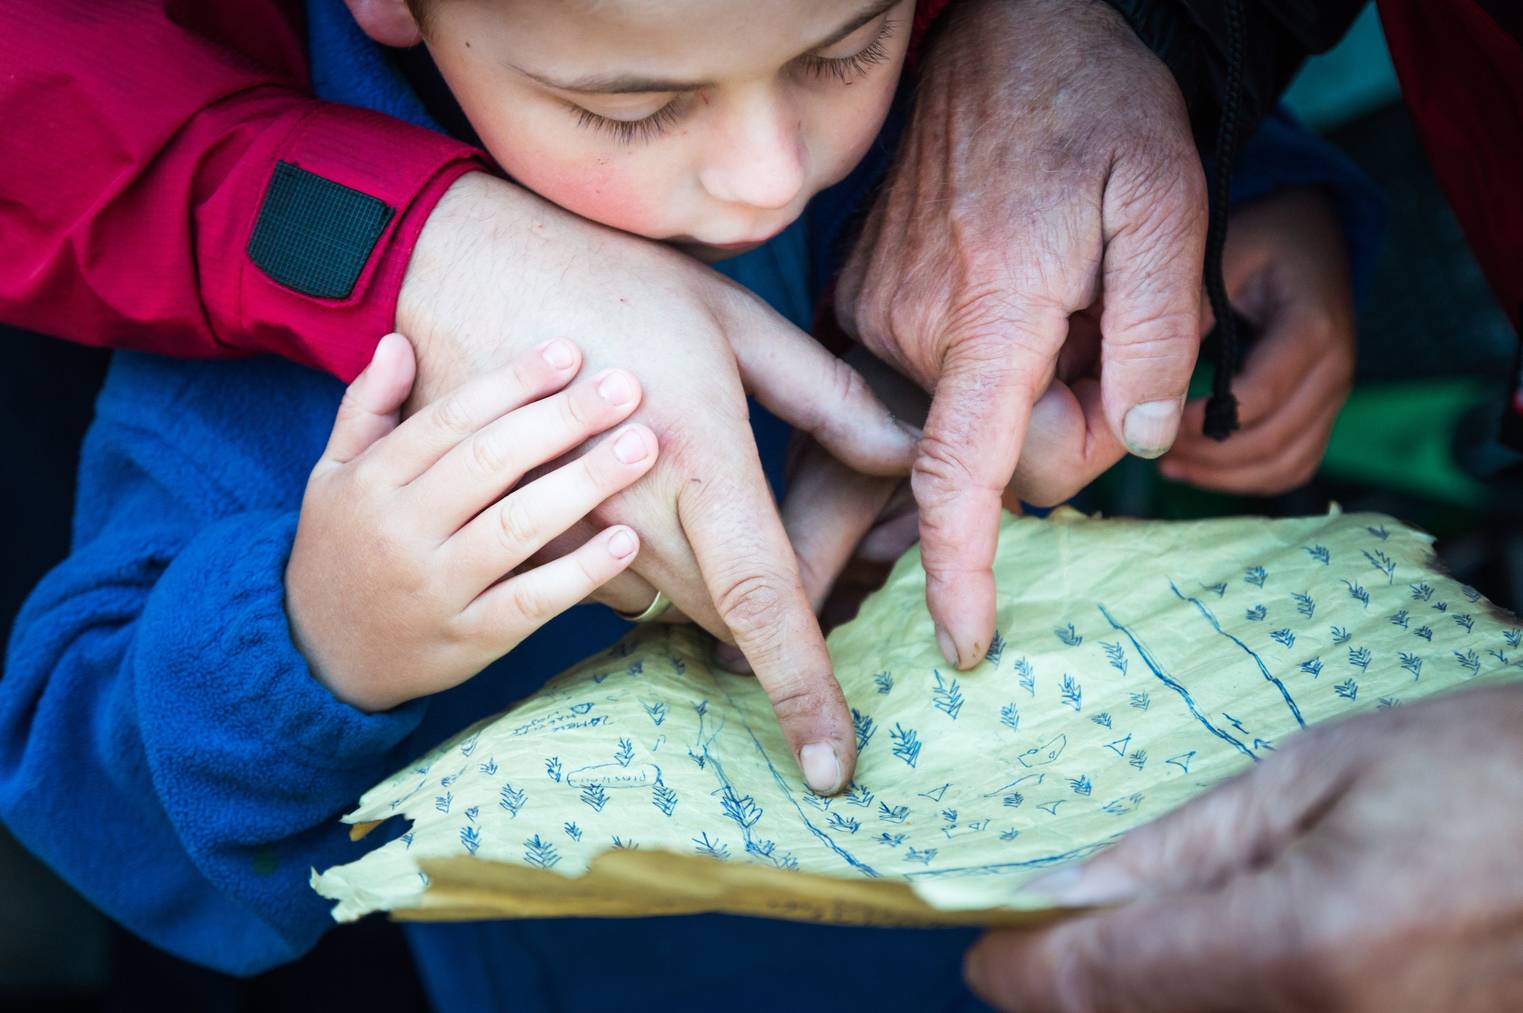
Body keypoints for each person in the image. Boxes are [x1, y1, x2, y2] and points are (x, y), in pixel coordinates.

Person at [0, 0, 1379, 1010]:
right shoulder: (309, 367)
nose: (769, 170)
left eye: (848, 47)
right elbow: (93, 788)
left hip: (1104, 902)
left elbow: (1092, 99)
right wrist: (322, 627)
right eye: (633, 109)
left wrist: (1245, 213)